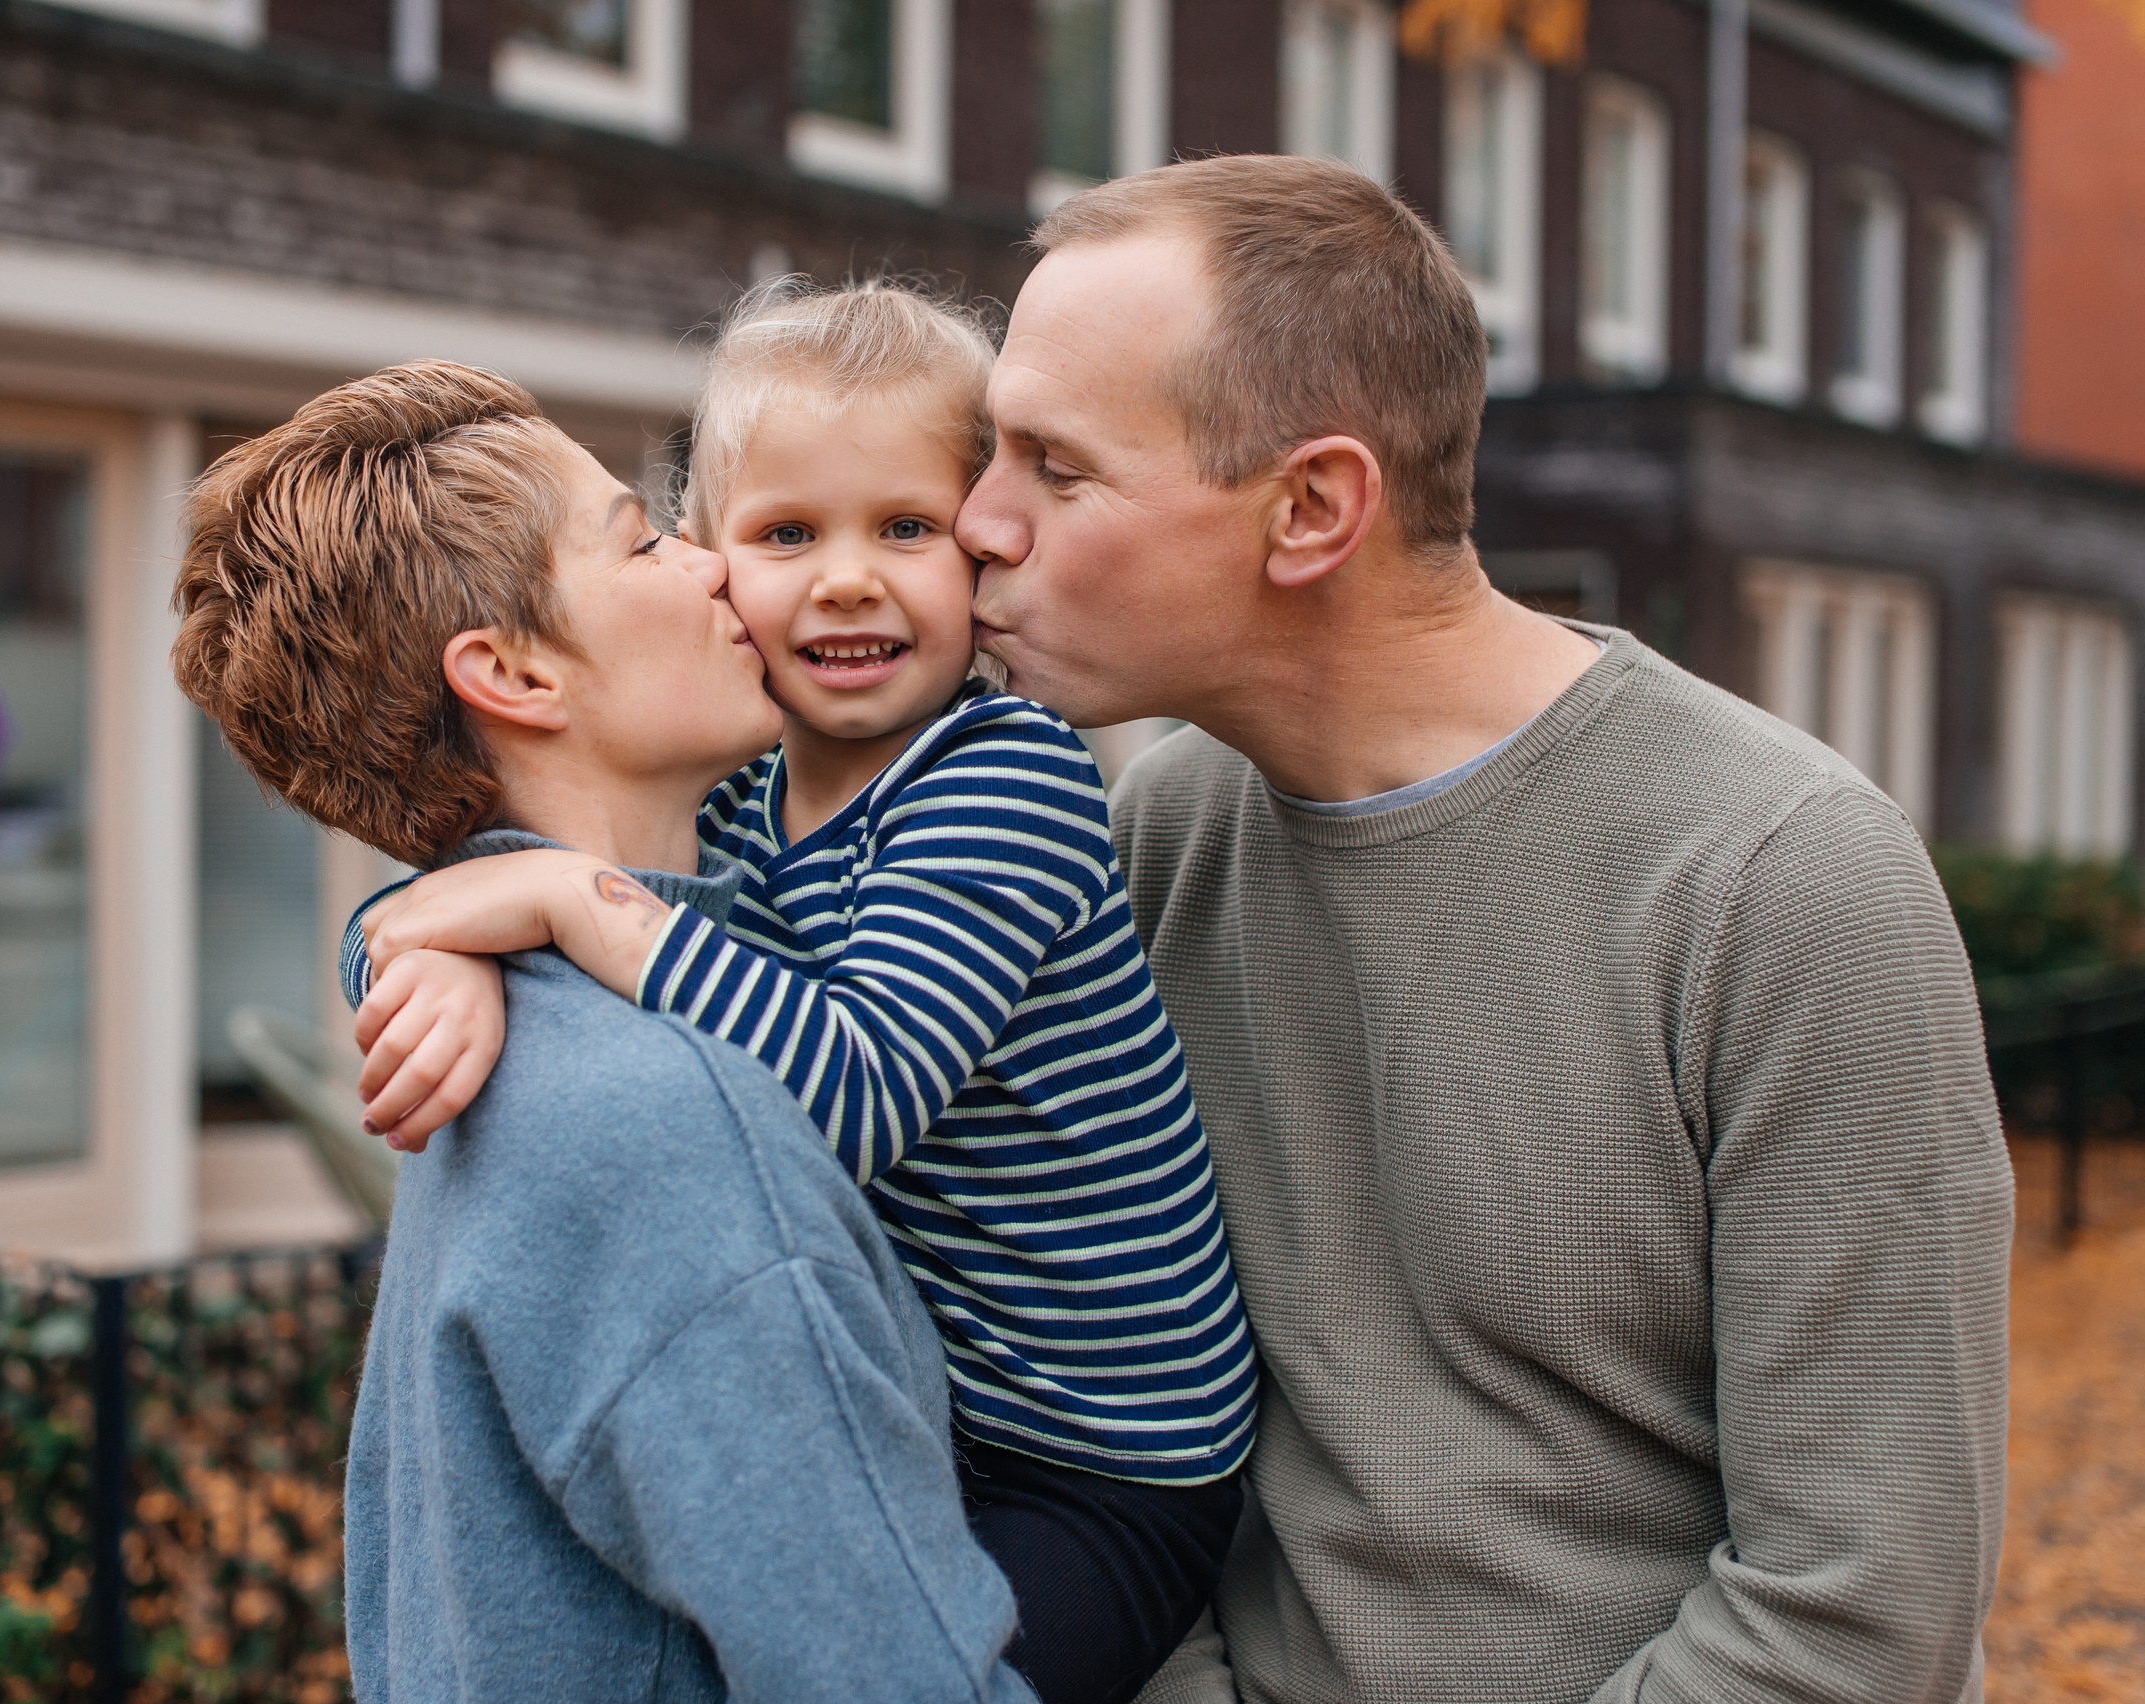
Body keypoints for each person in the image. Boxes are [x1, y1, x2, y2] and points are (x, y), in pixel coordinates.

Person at [950, 152, 2014, 1704]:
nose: (975, 522)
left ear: (1311, 508)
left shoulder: (1781, 882)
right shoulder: (1139, 849)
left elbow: (1857, 1615)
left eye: (1054, 467)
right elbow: (1081, 1423)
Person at [346, 281, 1255, 1704]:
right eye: (786, 535)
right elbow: (486, 886)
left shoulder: (1006, 777)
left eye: (906, 527)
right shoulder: (749, 789)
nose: (846, 579)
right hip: (930, 1406)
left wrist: (557, 907)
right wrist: (444, 956)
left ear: (984, 551)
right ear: (715, 568)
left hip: (1102, 1460)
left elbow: (848, 1090)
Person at [169, 359, 1037, 1704]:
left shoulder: (521, 1032)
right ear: (512, 671)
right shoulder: (664, 1126)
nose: (707, 561)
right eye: (638, 539)